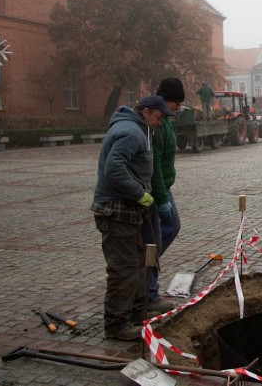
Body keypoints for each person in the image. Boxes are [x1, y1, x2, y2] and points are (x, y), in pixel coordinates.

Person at [91, 95, 174, 341]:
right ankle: (116, 326)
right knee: (124, 270)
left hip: (128, 210)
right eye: (158, 117)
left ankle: (138, 314)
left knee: (139, 263)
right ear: (146, 112)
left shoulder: (139, 129)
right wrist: (140, 194)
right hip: (116, 211)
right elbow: (114, 168)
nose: (159, 123)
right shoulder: (130, 132)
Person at [141, 78, 185, 314]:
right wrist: (161, 197)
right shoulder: (157, 124)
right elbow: (154, 164)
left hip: (164, 188)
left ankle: (146, 271)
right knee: (152, 242)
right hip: (157, 191)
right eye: (176, 102)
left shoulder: (165, 120)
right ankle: (148, 293)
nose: (178, 107)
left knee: (170, 229)